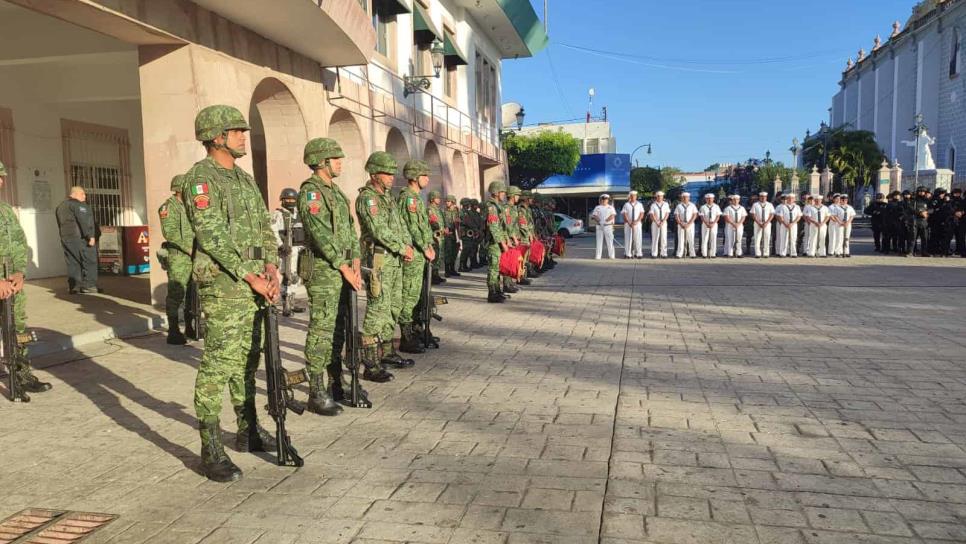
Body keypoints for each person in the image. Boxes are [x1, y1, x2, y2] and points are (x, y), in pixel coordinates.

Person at [183, 105, 280, 483]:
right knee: (219, 363)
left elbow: (263, 226)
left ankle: (248, 430)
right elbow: (211, 235)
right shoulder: (201, 179)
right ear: (216, 136)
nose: (243, 135)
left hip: (255, 281)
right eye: (236, 130)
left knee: (248, 358)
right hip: (225, 285)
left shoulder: (244, 179)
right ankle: (210, 447)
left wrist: (271, 265)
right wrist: (248, 274)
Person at [297, 137, 359, 415]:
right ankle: (316, 389)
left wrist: (355, 259)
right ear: (321, 161)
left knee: (340, 328)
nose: (340, 163)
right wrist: (342, 265)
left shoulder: (337, 192)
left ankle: (336, 381)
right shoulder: (311, 193)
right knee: (322, 329)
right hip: (324, 271)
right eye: (336, 159)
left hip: (344, 270)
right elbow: (320, 234)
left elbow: (349, 229)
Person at [355, 151, 415, 378]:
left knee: (394, 306)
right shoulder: (367, 199)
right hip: (379, 260)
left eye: (392, 173)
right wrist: (402, 247)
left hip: (395, 260)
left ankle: (387, 352)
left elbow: (400, 226)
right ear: (373, 173)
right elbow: (379, 230)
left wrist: (406, 246)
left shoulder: (388, 197)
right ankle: (370, 362)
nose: (391, 177)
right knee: (377, 308)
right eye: (386, 173)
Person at [0, 160, 51, 401]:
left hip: (12, 283)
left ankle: (22, 374)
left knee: (18, 329)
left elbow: (20, 243)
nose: (1, 182)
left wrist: (20, 273)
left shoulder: (6, 210)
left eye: (2, 177)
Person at [396, 160, 435, 354]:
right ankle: (406, 335)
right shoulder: (408, 198)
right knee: (409, 294)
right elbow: (412, 227)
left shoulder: (417, 198)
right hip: (413, 252)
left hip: (421, 252)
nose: (427, 178)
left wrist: (429, 245)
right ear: (413, 177)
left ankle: (418, 329)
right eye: (424, 175)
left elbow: (422, 226)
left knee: (419, 294)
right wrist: (424, 246)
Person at [158, 175, 193, 344]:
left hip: (194, 257)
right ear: (179, 189)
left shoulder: (190, 206)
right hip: (179, 258)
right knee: (176, 294)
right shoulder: (167, 207)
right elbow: (170, 233)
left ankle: (190, 326)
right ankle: (173, 331)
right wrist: (188, 249)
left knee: (192, 294)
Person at [55, 186, 99, 294]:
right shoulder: (78, 205)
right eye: (82, 194)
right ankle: (89, 285)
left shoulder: (60, 206)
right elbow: (84, 221)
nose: (85, 196)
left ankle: (74, 287)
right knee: (89, 260)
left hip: (66, 238)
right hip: (80, 238)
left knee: (73, 262)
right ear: (73, 194)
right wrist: (90, 236)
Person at [271, 187, 306, 316]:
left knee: (297, 276)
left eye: (292, 199)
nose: (290, 201)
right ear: (282, 200)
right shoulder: (279, 214)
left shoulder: (298, 213)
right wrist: (280, 245)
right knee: (288, 276)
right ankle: (286, 305)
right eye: (287, 199)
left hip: (299, 249)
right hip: (287, 250)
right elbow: (273, 231)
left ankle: (292, 302)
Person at [484, 180, 510, 303]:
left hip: (498, 242)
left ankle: (498, 291)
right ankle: (492, 293)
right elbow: (493, 227)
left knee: (498, 267)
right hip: (494, 243)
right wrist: (502, 243)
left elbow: (502, 226)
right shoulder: (492, 207)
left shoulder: (497, 206)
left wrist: (506, 240)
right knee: (493, 268)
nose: (504, 194)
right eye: (502, 192)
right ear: (495, 192)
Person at [426, 190, 445, 284]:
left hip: (440, 236)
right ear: (432, 199)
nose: (439, 199)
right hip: (434, 236)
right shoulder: (430, 209)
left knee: (439, 256)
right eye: (437, 198)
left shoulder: (438, 210)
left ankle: (436, 274)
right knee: (435, 256)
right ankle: (432, 276)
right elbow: (433, 223)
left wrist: (444, 229)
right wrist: (440, 229)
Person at [775, 193, 802, 258]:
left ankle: (793, 253)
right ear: (787, 199)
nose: (790, 199)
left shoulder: (797, 207)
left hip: (793, 224)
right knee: (784, 238)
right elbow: (780, 216)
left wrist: (793, 223)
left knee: (793, 238)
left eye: (792, 198)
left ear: (794, 199)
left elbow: (799, 216)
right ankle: (783, 253)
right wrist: (785, 223)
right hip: (784, 224)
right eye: (789, 198)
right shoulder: (783, 207)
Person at [591, 194, 616, 259]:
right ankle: (598, 256)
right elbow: (594, 216)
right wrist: (600, 221)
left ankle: (611, 255)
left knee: (610, 241)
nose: (604, 200)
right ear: (601, 200)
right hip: (599, 226)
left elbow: (612, 215)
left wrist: (605, 221)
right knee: (599, 241)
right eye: (603, 199)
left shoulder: (611, 207)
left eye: (605, 199)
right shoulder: (597, 207)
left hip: (608, 226)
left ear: (608, 200)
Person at [621, 190, 645, 258]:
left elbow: (642, 214)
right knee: (628, 238)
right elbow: (624, 214)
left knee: (638, 238)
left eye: (634, 196)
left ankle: (638, 253)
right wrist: (629, 222)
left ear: (636, 196)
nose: (633, 197)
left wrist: (637, 221)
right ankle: (628, 253)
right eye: (631, 196)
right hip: (628, 224)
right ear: (630, 196)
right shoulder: (626, 204)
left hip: (637, 223)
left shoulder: (640, 204)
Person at [750, 191, 774, 258]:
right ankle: (757, 253)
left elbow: (771, 214)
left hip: (767, 223)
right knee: (757, 238)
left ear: (766, 197)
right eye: (761, 197)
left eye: (764, 197)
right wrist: (758, 222)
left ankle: (766, 253)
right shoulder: (755, 204)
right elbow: (753, 214)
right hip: (758, 223)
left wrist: (767, 222)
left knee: (767, 237)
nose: (763, 198)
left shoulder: (770, 205)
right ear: (759, 197)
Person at [459, 198, 481, 271]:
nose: (469, 205)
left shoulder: (466, 212)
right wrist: (474, 228)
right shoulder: (462, 212)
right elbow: (467, 222)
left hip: (468, 233)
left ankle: (464, 265)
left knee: (468, 249)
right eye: (468, 204)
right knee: (465, 249)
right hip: (464, 233)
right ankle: (461, 266)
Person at [674, 192, 697, 258]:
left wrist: (689, 223)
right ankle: (679, 254)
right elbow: (676, 215)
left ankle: (692, 254)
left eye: (686, 197)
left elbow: (694, 215)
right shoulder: (679, 206)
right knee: (681, 239)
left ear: (689, 198)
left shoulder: (692, 205)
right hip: (681, 224)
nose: (684, 198)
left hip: (690, 224)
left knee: (691, 239)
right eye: (683, 197)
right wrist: (680, 223)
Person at [698, 193, 721, 258]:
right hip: (705, 224)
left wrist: (713, 223)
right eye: (708, 199)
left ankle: (713, 253)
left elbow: (718, 216)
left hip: (714, 224)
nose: (709, 200)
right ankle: (704, 254)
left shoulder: (716, 206)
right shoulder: (703, 207)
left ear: (713, 199)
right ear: (705, 199)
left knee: (713, 239)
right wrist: (706, 223)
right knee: (704, 239)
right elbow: (701, 216)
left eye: (711, 198)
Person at [443, 194, 461, 277]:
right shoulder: (444, 211)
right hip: (448, 233)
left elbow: (461, 219)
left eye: (448, 201)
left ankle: (452, 269)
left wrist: (458, 210)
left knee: (455, 251)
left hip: (455, 233)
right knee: (448, 252)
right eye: (446, 201)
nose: (447, 203)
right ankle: (447, 271)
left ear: (453, 202)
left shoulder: (456, 211)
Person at [649, 191, 670, 258]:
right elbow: (652, 214)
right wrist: (656, 222)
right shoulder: (653, 205)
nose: (659, 197)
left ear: (663, 197)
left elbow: (667, 213)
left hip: (663, 222)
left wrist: (663, 221)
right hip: (655, 222)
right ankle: (654, 253)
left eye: (661, 196)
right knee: (655, 238)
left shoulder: (666, 204)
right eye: (658, 196)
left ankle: (664, 253)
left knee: (664, 238)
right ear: (656, 197)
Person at [911, 186, 931, 256]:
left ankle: (924, 252)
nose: (922, 193)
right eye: (920, 191)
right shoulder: (914, 200)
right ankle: (911, 252)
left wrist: (927, 212)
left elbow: (932, 209)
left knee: (925, 238)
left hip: (924, 222)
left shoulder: (927, 200)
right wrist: (919, 213)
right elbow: (911, 209)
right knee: (913, 238)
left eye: (923, 192)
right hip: (915, 221)